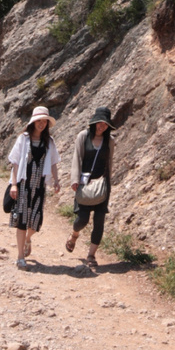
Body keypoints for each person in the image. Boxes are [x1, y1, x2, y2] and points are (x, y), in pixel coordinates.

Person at [7, 105, 61, 270]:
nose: (42, 124)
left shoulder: (49, 142)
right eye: (39, 120)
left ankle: (28, 239)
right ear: (33, 121)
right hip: (23, 185)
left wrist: (56, 181)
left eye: (44, 121)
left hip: (39, 187)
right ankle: (20, 257)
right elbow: (15, 163)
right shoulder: (23, 139)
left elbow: (53, 163)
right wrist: (14, 184)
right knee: (22, 221)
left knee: (36, 222)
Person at [66, 105, 116, 268]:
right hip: (84, 184)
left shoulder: (110, 141)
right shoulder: (83, 136)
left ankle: (91, 255)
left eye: (105, 124)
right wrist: (74, 179)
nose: (101, 126)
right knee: (82, 219)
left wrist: (109, 185)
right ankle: (74, 235)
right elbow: (77, 158)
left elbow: (109, 163)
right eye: (99, 123)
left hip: (102, 184)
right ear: (94, 122)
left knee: (99, 221)